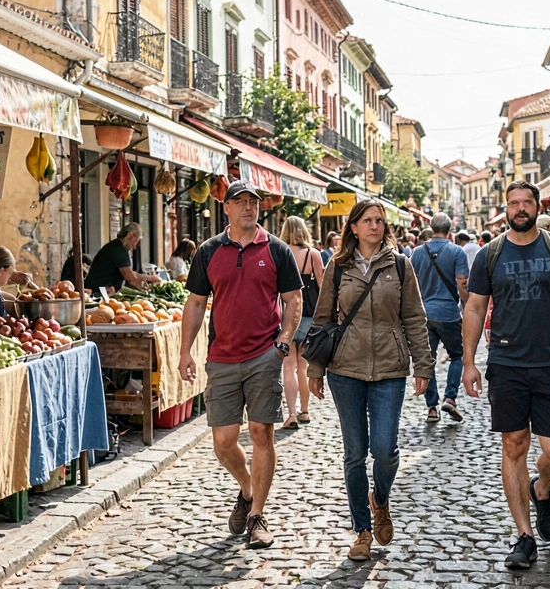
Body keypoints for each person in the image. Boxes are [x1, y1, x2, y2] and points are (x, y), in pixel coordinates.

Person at [461, 181, 550, 569]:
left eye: (526, 203)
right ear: (506, 208)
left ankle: (542, 488)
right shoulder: (489, 254)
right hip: (506, 364)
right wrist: (470, 361)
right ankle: (524, 536)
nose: (520, 209)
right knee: (514, 445)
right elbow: (473, 308)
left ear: (537, 206)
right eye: (513, 203)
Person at [178, 181, 303, 550]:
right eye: (240, 202)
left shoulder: (277, 250)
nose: (248, 207)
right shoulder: (208, 251)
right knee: (223, 442)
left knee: (262, 433)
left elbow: (293, 300)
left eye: (253, 202)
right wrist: (185, 350)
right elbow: (197, 303)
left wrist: (282, 342)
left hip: (264, 355)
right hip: (221, 357)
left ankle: (257, 516)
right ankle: (247, 488)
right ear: (226, 209)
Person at [309, 198, 432, 561]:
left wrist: (423, 365)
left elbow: (414, 317)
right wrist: (314, 369)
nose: (374, 226)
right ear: (354, 227)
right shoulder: (338, 266)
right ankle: (362, 530)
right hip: (345, 369)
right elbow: (322, 320)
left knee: (385, 450)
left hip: (390, 370)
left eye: (379, 221)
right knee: (353, 453)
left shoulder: (401, 266)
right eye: (367, 220)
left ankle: (380, 498)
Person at [411, 212, 470, 423]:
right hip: (449, 314)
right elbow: (462, 283)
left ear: (431, 227)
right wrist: (467, 305)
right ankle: (450, 397)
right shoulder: (456, 252)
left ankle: (432, 408)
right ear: (449, 231)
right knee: (457, 355)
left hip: (424, 314)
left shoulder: (417, 253)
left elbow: (411, 284)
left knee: (428, 361)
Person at [278, 217, 321, 430]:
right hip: (308, 315)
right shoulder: (313, 255)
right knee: (303, 367)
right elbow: (323, 288)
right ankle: (305, 411)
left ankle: (291, 413)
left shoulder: (280, 253)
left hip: (286, 315)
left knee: (288, 366)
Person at [85, 224, 162, 294]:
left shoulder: (116, 245)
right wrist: (147, 291)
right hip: (97, 292)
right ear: (130, 235)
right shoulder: (119, 250)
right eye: (137, 241)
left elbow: (130, 272)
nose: (135, 247)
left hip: (101, 290)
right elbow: (130, 277)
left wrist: (149, 278)